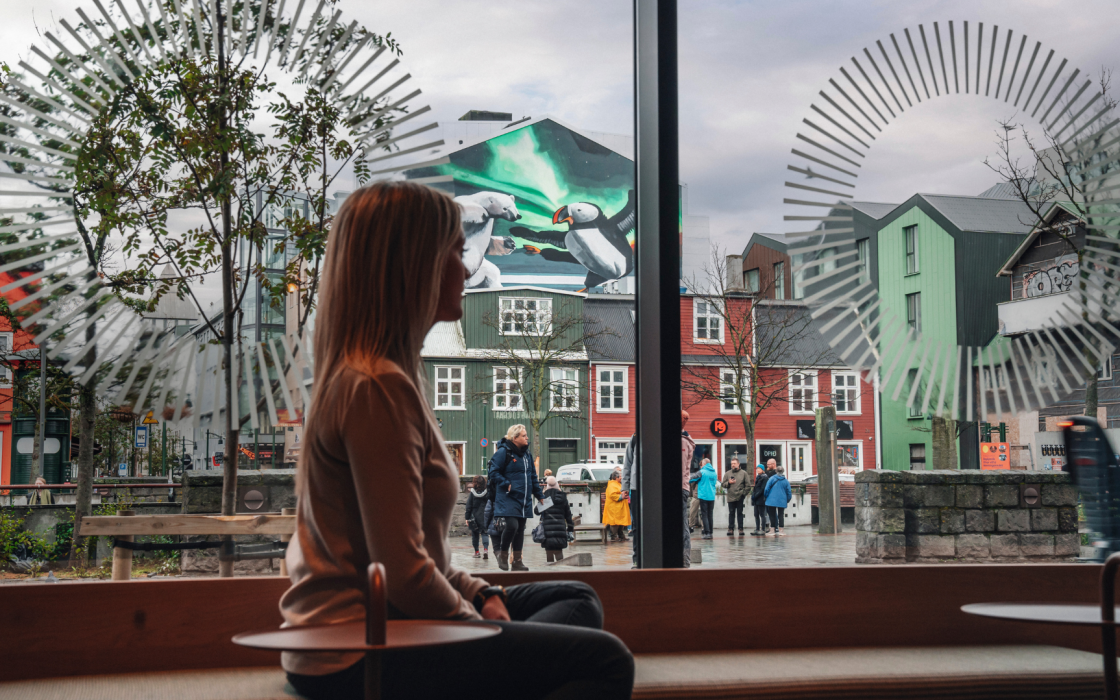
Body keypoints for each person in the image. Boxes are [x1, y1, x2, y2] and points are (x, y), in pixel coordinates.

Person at [279, 181, 633, 700]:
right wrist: (476, 618)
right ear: (409, 267)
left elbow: (417, 550)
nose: (466, 264)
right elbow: (402, 572)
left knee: (576, 599)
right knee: (605, 660)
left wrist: (482, 590)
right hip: (356, 651)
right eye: (451, 250)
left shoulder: (391, 376)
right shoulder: (375, 388)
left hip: (388, 625)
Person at [488, 424, 543, 571]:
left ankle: (517, 562)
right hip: (508, 496)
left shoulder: (527, 455)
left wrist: (540, 495)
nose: (527, 438)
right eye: (524, 436)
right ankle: (503, 555)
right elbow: (493, 472)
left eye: (526, 435)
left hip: (524, 498)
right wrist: (506, 483)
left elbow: (532, 476)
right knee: (512, 526)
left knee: (520, 530)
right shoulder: (503, 452)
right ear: (515, 438)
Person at [538, 476, 574, 562]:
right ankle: (561, 572)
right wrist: (570, 529)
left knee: (549, 553)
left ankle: (550, 573)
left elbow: (536, 511)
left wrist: (544, 501)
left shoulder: (545, 497)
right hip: (560, 529)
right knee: (559, 552)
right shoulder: (562, 497)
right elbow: (568, 515)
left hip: (547, 530)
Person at [619, 433, 639, 567]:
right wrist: (625, 486)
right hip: (637, 487)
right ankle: (637, 559)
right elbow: (628, 464)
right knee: (637, 526)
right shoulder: (635, 438)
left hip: (657, 488)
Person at [721, 458, 750, 536]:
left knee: (740, 513)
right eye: (731, 463)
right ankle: (730, 529)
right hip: (730, 496)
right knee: (731, 513)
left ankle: (740, 529)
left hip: (740, 497)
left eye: (734, 463)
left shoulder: (744, 473)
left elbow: (748, 486)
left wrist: (743, 494)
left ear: (738, 464)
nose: (733, 465)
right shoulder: (727, 473)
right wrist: (729, 483)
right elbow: (723, 484)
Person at [681, 411, 695, 567]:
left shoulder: (683, 442)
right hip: (683, 487)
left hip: (680, 488)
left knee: (682, 525)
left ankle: (685, 559)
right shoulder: (686, 441)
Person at [764, 463, 793, 536]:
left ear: (776, 471)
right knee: (781, 515)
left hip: (771, 500)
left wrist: (766, 497)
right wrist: (787, 500)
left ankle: (772, 530)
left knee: (772, 514)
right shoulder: (786, 481)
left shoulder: (772, 479)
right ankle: (781, 530)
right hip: (782, 500)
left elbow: (766, 489)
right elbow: (789, 492)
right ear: (783, 472)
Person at [465, 475, 490, 559]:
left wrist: (467, 518)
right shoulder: (487, 492)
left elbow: (468, 506)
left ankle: (477, 552)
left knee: (475, 535)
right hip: (484, 516)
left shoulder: (472, 493)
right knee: (485, 533)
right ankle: (486, 550)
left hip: (474, 517)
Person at [602, 468, 631, 541]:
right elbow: (613, 495)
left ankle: (621, 535)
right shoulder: (612, 485)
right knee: (615, 523)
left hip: (618, 507)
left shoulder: (617, 484)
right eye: (620, 476)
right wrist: (622, 496)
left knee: (620, 522)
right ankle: (614, 536)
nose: (622, 478)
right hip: (614, 507)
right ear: (616, 477)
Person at [692, 458, 717, 539]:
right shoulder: (714, 473)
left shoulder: (702, 472)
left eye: (702, 464)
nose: (701, 466)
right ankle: (711, 532)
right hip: (712, 496)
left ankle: (707, 533)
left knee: (704, 515)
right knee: (710, 515)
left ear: (705, 464)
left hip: (704, 496)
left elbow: (692, 478)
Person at [750, 463, 771, 536]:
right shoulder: (758, 477)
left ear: (762, 470)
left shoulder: (765, 478)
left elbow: (762, 488)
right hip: (756, 499)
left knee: (762, 514)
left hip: (761, 498)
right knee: (756, 514)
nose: (758, 470)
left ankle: (763, 529)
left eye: (759, 469)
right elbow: (756, 487)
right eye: (757, 469)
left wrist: (756, 495)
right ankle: (757, 528)